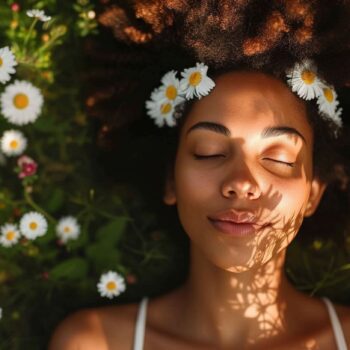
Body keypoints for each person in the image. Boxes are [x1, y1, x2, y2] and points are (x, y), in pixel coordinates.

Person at [49, 1, 350, 349]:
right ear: (170, 179)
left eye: (279, 158)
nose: (241, 182)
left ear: (314, 192)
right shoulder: (95, 343)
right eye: (209, 152)